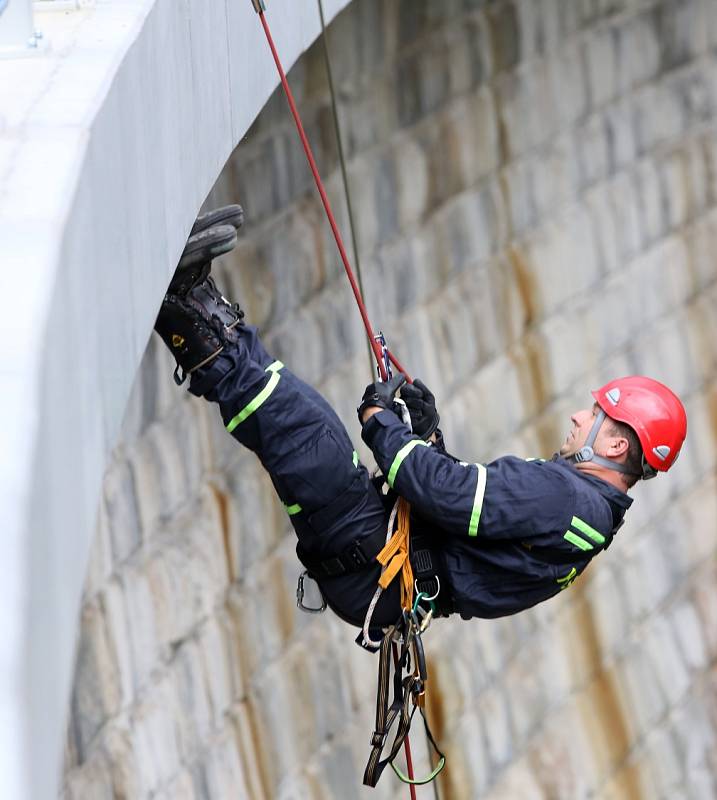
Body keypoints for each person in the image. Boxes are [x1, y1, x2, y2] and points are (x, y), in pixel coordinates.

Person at [154, 206, 688, 638]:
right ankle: (197, 307)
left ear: (616, 446)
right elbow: (466, 515)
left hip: (373, 562)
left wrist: (382, 422)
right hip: (383, 568)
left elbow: (446, 494)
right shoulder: (585, 513)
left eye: (596, 416)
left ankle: (183, 303)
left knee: (304, 430)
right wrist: (427, 433)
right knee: (304, 428)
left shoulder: (567, 499)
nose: (578, 416)